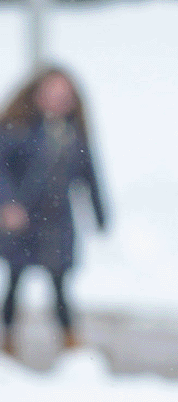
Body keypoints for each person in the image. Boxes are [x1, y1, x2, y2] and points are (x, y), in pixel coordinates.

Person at [0, 66, 108, 357]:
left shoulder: (74, 136)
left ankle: (69, 338)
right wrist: (7, 204)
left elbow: (89, 175)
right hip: (22, 222)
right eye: (52, 93)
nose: (58, 101)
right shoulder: (17, 130)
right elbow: (2, 170)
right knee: (14, 280)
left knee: (59, 282)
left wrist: (100, 214)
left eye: (64, 95)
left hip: (57, 222)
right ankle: (7, 337)